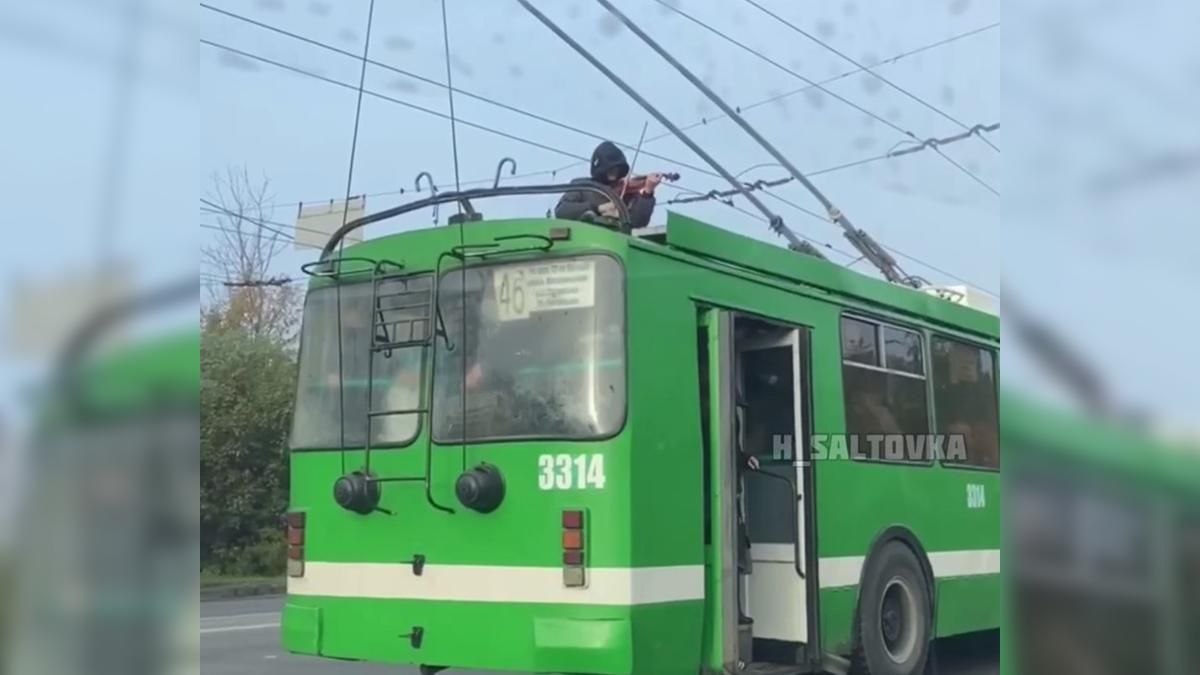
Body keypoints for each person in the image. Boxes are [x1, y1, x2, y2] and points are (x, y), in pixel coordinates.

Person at [554, 141, 660, 230]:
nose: (615, 171)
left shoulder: (626, 191)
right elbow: (562, 211)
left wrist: (648, 191)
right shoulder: (582, 185)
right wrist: (597, 208)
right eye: (611, 168)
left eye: (618, 168)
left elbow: (638, 222)